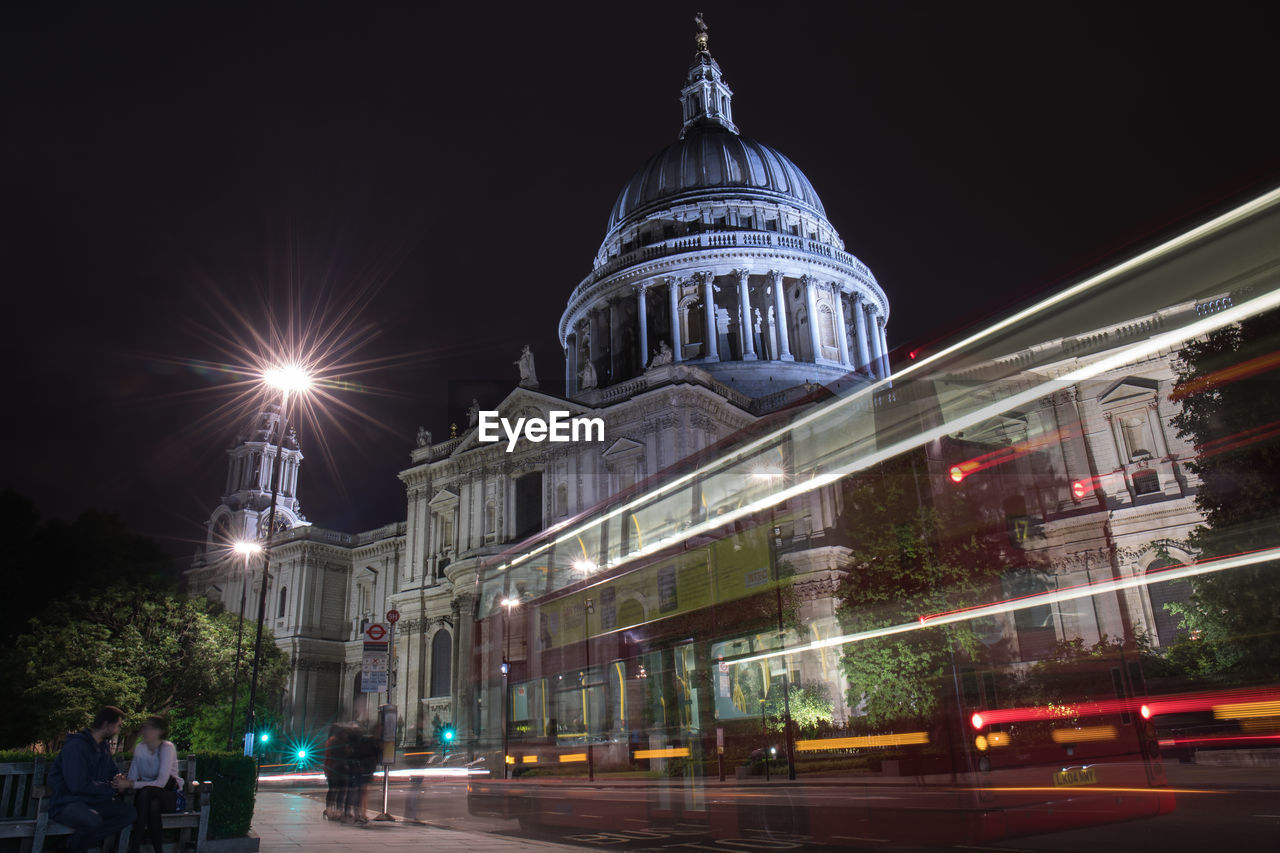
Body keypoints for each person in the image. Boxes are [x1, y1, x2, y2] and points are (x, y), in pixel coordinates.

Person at [48, 706, 136, 851]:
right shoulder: (76, 746)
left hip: (93, 801)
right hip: (67, 802)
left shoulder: (103, 747)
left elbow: (111, 771)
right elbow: (76, 785)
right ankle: (69, 847)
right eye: (118, 726)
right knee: (93, 820)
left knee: (128, 813)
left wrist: (120, 779)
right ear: (107, 724)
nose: (119, 730)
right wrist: (111, 788)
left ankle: (70, 844)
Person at [125, 715, 182, 853]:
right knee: (152, 804)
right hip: (149, 799)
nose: (143, 731)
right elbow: (132, 776)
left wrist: (131, 785)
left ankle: (134, 847)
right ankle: (157, 850)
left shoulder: (167, 748)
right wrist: (124, 782)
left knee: (147, 793)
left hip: (169, 796)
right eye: (143, 728)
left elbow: (161, 783)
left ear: (159, 731)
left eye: (147, 728)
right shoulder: (140, 748)